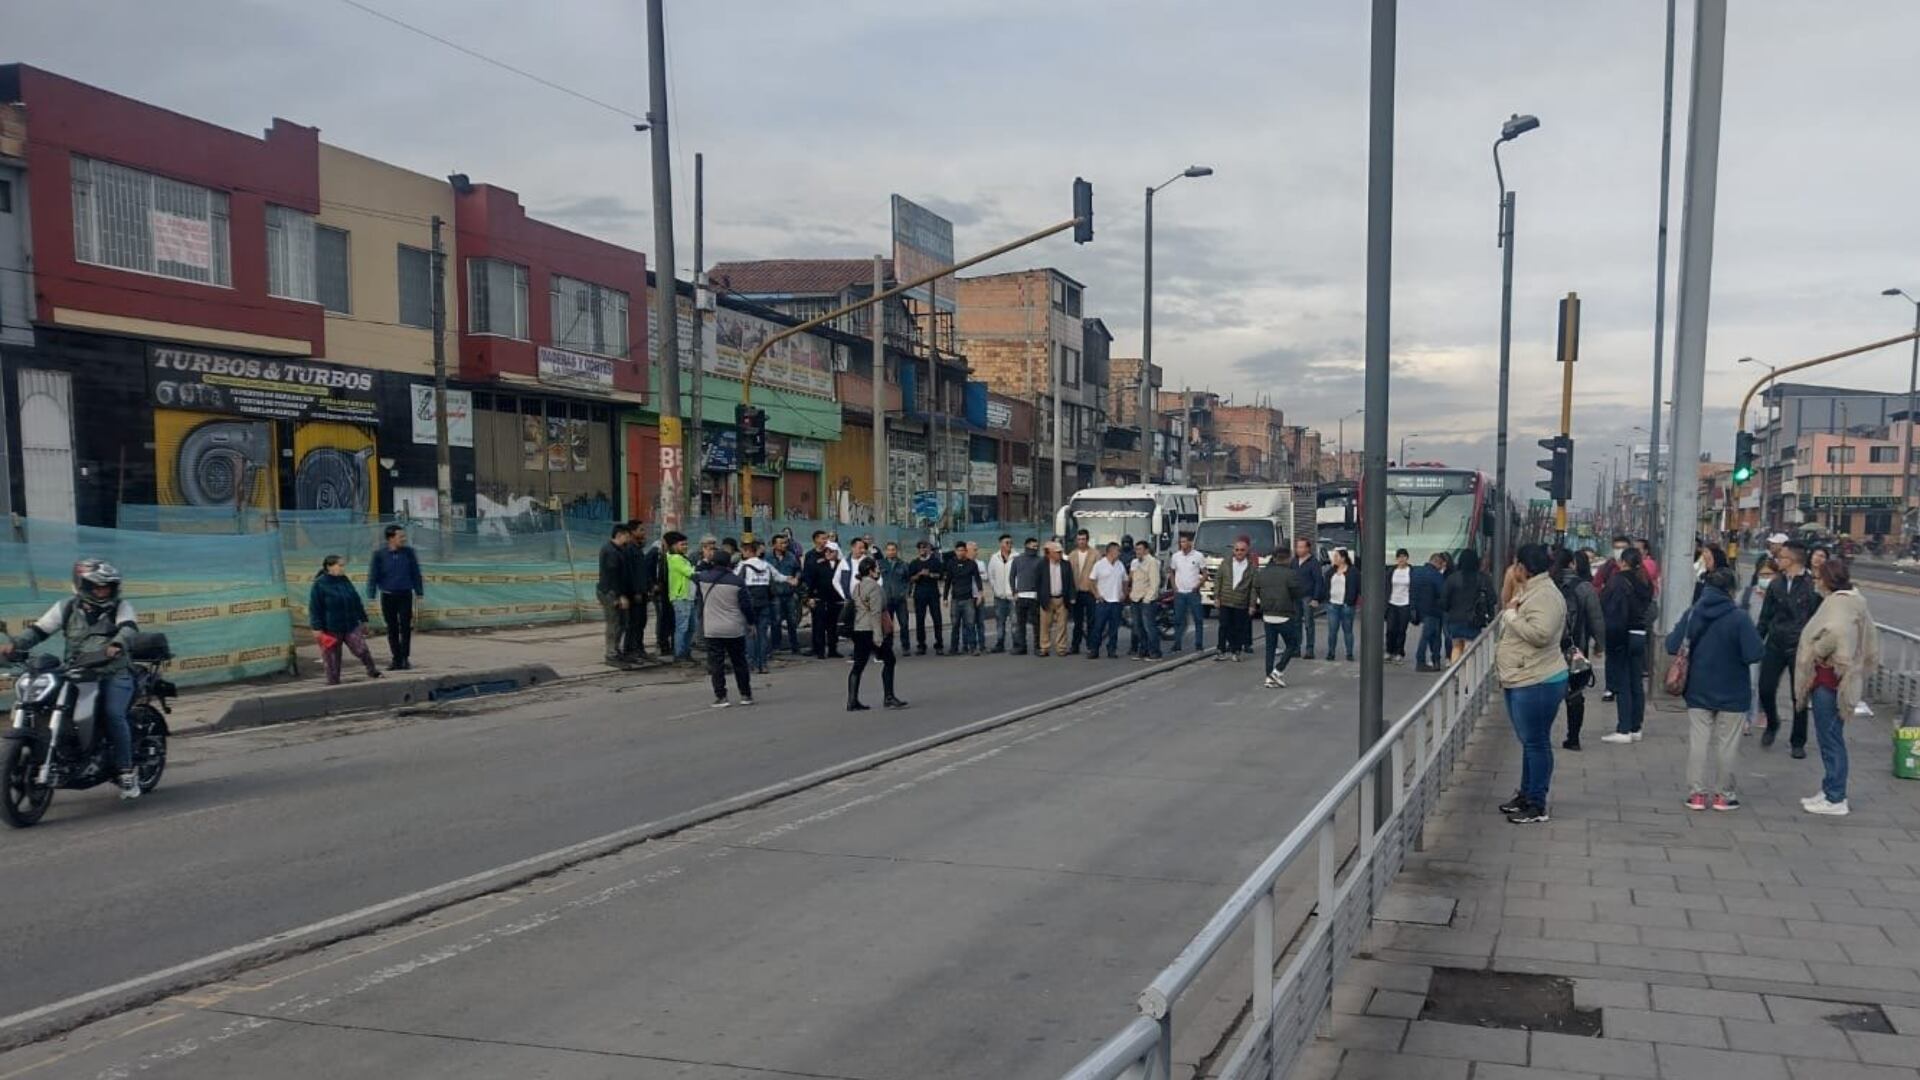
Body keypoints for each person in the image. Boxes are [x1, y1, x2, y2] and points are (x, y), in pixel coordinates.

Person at [5, 559, 141, 798]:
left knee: (112, 714)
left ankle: (126, 771)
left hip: (113, 673)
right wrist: (15, 646)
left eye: (107, 587)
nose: (103, 591)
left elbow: (128, 628)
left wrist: (117, 644)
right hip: (77, 672)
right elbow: (39, 631)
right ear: (82, 586)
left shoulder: (121, 607)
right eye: (97, 587)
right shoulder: (66, 607)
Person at [1666, 566, 1765, 812]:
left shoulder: (1693, 614)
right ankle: (1723, 796)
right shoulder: (1740, 618)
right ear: (1731, 590)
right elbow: (1754, 653)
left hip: (1698, 688)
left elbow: (1671, 645)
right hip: (1733, 691)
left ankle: (1696, 795)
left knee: (1698, 741)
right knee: (1727, 744)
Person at [1795, 557, 1877, 817]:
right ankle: (1830, 787)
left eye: (1819, 577)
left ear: (1828, 580)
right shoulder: (1855, 600)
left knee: (1830, 740)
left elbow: (1837, 634)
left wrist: (1816, 650)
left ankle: (1836, 797)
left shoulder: (1838, 603)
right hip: (1839, 681)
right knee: (1831, 738)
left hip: (1829, 681)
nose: (1816, 582)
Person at [1495, 543, 1569, 825]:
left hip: (1537, 680)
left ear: (1523, 567)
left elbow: (1541, 634)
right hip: (1523, 677)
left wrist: (1511, 616)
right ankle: (1526, 794)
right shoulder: (1531, 590)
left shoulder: (1545, 595)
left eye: (1515, 564)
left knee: (1536, 742)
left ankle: (1537, 803)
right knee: (1530, 741)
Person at [1757, 540, 1821, 757]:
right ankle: (1772, 722)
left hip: (1800, 647)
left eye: (1782, 557)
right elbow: (1765, 617)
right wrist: (1757, 640)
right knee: (1765, 688)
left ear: (1793, 559)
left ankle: (1798, 741)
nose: (1778, 560)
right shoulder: (1776, 584)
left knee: (1799, 696)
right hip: (1775, 643)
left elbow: (1818, 618)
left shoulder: (1812, 586)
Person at [1600, 546, 1654, 744]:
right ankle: (1635, 727)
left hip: (1622, 636)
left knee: (1623, 683)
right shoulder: (1644, 581)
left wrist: (1605, 639)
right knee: (1636, 682)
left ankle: (1623, 729)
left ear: (1623, 562)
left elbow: (1609, 609)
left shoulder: (1618, 581)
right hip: (1639, 634)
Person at [1554, 548, 1605, 752]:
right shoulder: (1585, 588)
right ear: (1572, 564)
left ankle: (1540, 737)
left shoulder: (1547, 585)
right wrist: (1600, 643)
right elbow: (1596, 619)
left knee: (1545, 691)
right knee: (1575, 693)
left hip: (1548, 648)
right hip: (1576, 647)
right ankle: (1573, 738)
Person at [310, 554, 383, 686]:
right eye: (340, 565)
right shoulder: (319, 584)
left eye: (343, 565)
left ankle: (372, 670)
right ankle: (333, 682)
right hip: (331, 628)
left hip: (350, 624)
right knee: (332, 658)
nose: (343, 568)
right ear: (329, 567)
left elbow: (355, 600)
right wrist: (317, 628)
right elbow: (315, 608)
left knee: (361, 649)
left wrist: (363, 619)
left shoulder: (344, 580)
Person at [693, 554, 754, 708]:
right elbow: (746, 605)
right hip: (734, 628)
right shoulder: (737, 581)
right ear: (729, 564)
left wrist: (705, 561)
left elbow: (694, 573)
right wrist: (751, 623)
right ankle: (745, 695)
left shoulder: (703, 578)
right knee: (739, 662)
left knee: (716, 664)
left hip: (712, 629)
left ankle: (721, 697)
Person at [848, 556, 908, 711]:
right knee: (890, 660)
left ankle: (852, 700)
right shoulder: (875, 587)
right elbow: (876, 613)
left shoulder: (857, 587)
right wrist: (878, 636)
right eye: (876, 568)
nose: (878, 571)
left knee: (858, 665)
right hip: (871, 629)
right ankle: (889, 697)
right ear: (870, 571)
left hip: (859, 628)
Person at [366, 524, 424, 671]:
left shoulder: (409, 553)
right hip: (388, 596)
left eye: (404, 536)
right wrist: (371, 595)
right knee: (391, 628)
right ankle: (396, 659)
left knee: (405, 627)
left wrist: (419, 592)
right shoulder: (379, 555)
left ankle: (405, 658)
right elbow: (373, 575)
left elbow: (415, 573)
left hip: (405, 595)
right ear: (391, 538)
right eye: (400, 536)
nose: (403, 539)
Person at [1251, 546, 1303, 688]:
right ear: (1288, 558)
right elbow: (1297, 594)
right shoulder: (1290, 574)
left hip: (1267, 614)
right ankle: (1278, 670)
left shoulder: (1262, 573)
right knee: (1293, 644)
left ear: (1273, 558)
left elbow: (1257, 589)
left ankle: (1268, 677)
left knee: (1270, 647)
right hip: (1285, 614)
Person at [1442, 548, 1496, 662]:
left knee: (1456, 647)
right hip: (1474, 620)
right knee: (1469, 648)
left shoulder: (1452, 578)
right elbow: (1492, 598)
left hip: (1455, 619)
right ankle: (1467, 672)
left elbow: (1444, 601)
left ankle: (1456, 669)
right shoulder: (1483, 578)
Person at [596, 523, 634, 665]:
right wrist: (620, 596)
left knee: (622, 623)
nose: (629, 539)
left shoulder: (619, 550)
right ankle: (611, 654)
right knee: (614, 623)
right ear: (619, 535)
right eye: (627, 536)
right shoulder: (610, 551)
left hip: (616, 592)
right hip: (610, 593)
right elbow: (613, 576)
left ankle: (616, 651)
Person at [1215, 536, 1257, 662]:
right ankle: (1221, 650)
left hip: (1241, 602)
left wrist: (1252, 605)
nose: (1239, 552)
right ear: (1233, 550)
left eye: (1242, 550)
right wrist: (1216, 597)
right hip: (1225, 600)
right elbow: (1218, 579)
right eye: (1237, 549)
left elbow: (1253, 588)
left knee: (1239, 628)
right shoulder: (1225, 563)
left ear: (1247, 551)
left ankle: (1236, 651)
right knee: (1224, 626)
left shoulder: (1251, 568)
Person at [738, 540, 776, 674]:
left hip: (749, 604)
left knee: (750, 635)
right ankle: (763, 664)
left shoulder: (744, 566)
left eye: (743, 551)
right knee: (762, 635)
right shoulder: (766, 566)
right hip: (764, 603)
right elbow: (772, 587)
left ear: (748, 551)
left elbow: (739, 584)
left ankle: (752, 665)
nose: (742, 554)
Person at [1087, 542, 1128, 660]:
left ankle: (1112, 650)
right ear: (1111, 551)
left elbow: (1125, 580)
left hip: (1116, 601)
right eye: (1117, 550)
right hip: (1103, 601)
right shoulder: (1099, 565)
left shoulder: (1120, 565)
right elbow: (1091, 581)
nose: (1119, 553)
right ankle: (1094, 649)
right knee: (1098, 627)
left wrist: (1124, 593)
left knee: (1114, 628)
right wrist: (1096, 594)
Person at [1168, 531, 1207, 654]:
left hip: (1193, 592)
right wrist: (1174, 587)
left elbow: (1205, 573)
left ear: (1190, 542)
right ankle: (1177, 644)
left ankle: (1199, 644)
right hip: (1180, 593)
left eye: (1184, 542)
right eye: (1181, 542)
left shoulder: (1198, 556)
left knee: (1198, 619)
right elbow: (1172, 572)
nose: (1182, 544)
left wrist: (1198, 585)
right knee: (1178, 620)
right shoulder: (1176, 556)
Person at [1035, 540, 1075, 656]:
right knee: (1045, 625)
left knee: (1062, 625)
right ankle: (1044, 648)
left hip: (1062, 598)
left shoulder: (1066, 564)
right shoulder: (1041, 565)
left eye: (1060, 552)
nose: (1060, 554)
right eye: (1057, 552)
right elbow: (1037, 582)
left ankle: (1061, 648)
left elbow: (1070, 581)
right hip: (1047, 599)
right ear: (1049, 553)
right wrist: (1040, 597)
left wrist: (1072, 596)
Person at [905, 540, 946, 656]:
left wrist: (930, 574)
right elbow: (910, 579)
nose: (922, 550)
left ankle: (939, 644)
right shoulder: (914, 563)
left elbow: (941, 576)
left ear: (928, 549)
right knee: (920, 620)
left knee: (937, 619)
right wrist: (919, 575)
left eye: (924, 548)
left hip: (933, 593)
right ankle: (921, 645)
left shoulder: (935, 561)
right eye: (920, 548)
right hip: (919, 594)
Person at [806, 541, 845, 659]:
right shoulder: (819, 565)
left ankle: (833, 650)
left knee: (833, 627)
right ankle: (820, 651)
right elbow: (812, 582)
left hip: (836, 600)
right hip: (821, 599)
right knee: (820, 626)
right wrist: (810, 597)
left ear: (836, 553)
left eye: (831, 551)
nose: (828, 553)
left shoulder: (842, 565)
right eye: (826, 551)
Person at [621, 520, 653, 663]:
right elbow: (630, 574)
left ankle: (639, 649)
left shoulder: (638, 549)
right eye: (641, 530)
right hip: (635, 594)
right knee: (633, 623)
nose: (644, 533)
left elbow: (642, 572)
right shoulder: (629, 550)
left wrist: (648, 587)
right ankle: (629, 651)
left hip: (642, 592)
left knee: (641, 622)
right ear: (632, 532)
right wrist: (636, 592)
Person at [945, 539, 984, 656]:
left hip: (968, 599)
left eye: (962, 550)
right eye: (958, 550)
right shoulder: (951, 563)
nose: (960, 552)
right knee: (955, 625)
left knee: (970, 624)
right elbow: (948, 581)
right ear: (955, 551)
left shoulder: (971, 564)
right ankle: (954, 648)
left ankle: (973, 648)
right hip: (955, 599)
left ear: (966, 551)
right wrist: (945, 598)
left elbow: (977, 579)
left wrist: (980, 594)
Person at [1411, 552, 1449, 672]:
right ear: (1438, 563)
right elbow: (1442, 593)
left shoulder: (1417, 572)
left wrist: (1413, 607)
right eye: (1442, 565)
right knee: (1430, 636)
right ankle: (1422, 660)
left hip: (1420, 609)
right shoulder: (1437, 576)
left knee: (1432, 635)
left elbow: (1412, 590)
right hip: (1433, 610)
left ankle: (1435, 661)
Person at [768, 533, 803, 656]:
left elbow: (798, 570)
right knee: (776, 621)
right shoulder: (768, 558)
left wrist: (797, 578)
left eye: (785, 543)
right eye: (781, 543)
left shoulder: (791, 557)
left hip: (789, 593)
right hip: (775, 594)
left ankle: (795, 646)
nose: (784, 545)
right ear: (774, 545)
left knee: (792, 621)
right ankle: (776, 647)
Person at [664, 531, 696, 662]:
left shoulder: (683, 558)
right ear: (673, 545)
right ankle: (679, 655)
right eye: (682, 544)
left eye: (686, 544)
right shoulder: (675, 559)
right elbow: (690, 573)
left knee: (691, 628)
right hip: (681, 598)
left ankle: (686, 652)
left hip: (689, 597)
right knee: (682, 628)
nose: (685, 547)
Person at [1129, 539, 1163, 660]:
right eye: (1136, 549)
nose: (1137, 552)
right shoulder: (1135, 562)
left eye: (1140, 549)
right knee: (1138, 627)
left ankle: (1155, 652)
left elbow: (1155, 582)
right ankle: (1143, 650)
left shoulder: (1152, 562)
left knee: (1149, 627)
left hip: (1146, 600)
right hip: (1135, 598)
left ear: (1146, 550)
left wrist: (1148, 599)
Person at [877, 541, 912, 659]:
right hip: (886, 600)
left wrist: (905, 593)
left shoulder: (903, 565)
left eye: (893, 550)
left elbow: (908, 580)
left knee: (904, 624)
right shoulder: (880, 564)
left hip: (900, 600)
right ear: (885, 551)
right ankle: (888, 647)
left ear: (896, 551)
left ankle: (905, 647)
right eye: (889, 550)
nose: (891, 552)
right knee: (887, 626)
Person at [1009, 537, 1043, 656]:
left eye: (1036, 546)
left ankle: (1038, 647)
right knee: (1020, 624)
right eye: (1033, 546)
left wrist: (1040, 594)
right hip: (1021, 596)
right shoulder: (1017, 560)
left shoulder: (1040, 560)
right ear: (1026, 546)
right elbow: (1012, 576)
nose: (1035, 548)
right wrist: (1014, 592)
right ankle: (1021, 646)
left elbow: (1043, 579)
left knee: (1037, 624)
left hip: (1035, 596)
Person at [1324, 547, 1359, 662]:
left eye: (1336, 556)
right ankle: (1331, 652)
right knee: (1332, 630)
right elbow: (1326, 585)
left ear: (1343, 558)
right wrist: (1327, 598)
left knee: (1348, 630)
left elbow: (1356, 587)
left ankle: (1349, 653)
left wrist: (1351, 601)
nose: (1334, 559)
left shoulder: (1353, 571)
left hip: (1346, 605)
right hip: (1333, 604)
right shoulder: (1331, 571)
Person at [1068, 529, 1099, 655]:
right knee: (1077, 621)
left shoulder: (1095, 554)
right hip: (1077, 592)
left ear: (1087, 540)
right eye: (1079, 539)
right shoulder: (1072, 555)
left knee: (1092, 620)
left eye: (1083, 539)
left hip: (1090, 591)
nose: (1081, 542)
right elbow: (1068, 574)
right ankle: (1075, 645)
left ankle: (1091, 646)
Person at [1294, 537, 1325, 659]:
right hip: (1295, 596)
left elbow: (1318, 581)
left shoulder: (1313, 563)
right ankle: (1296, 648)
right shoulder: (1294, 561)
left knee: (1308, 623)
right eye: (1298, 547)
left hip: (1308, 597)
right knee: (1296, 623)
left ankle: (1309, 650)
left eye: (1301, 547)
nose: (1299, 549)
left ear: (1308, 548)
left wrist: (1316, 598)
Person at [988, 534, 1018, 653]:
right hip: (999, 596)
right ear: (1000, 544)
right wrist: (995, 589)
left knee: (1015, 622)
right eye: (1007, 542)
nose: (1009, 545)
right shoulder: (994, 558)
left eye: (1011, 542)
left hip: (1013, 596)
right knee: (1000, 622)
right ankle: (1000, 644)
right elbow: (991, 575)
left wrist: (1016, 591)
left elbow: (1019, 575)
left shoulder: (1016, 557)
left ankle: (1017, 644)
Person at [1385, 548, 1415, 663]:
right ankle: (1389, 650)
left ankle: (1399, 652)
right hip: (1392, 603)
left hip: (1405, 604)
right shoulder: (1391, 571)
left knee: (1401, 630)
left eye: (1404, 557)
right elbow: (1386, 585)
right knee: (1390, 629)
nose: (1401, 559)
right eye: (1399, 557)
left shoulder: (1411, 571)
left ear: (1407, 558)